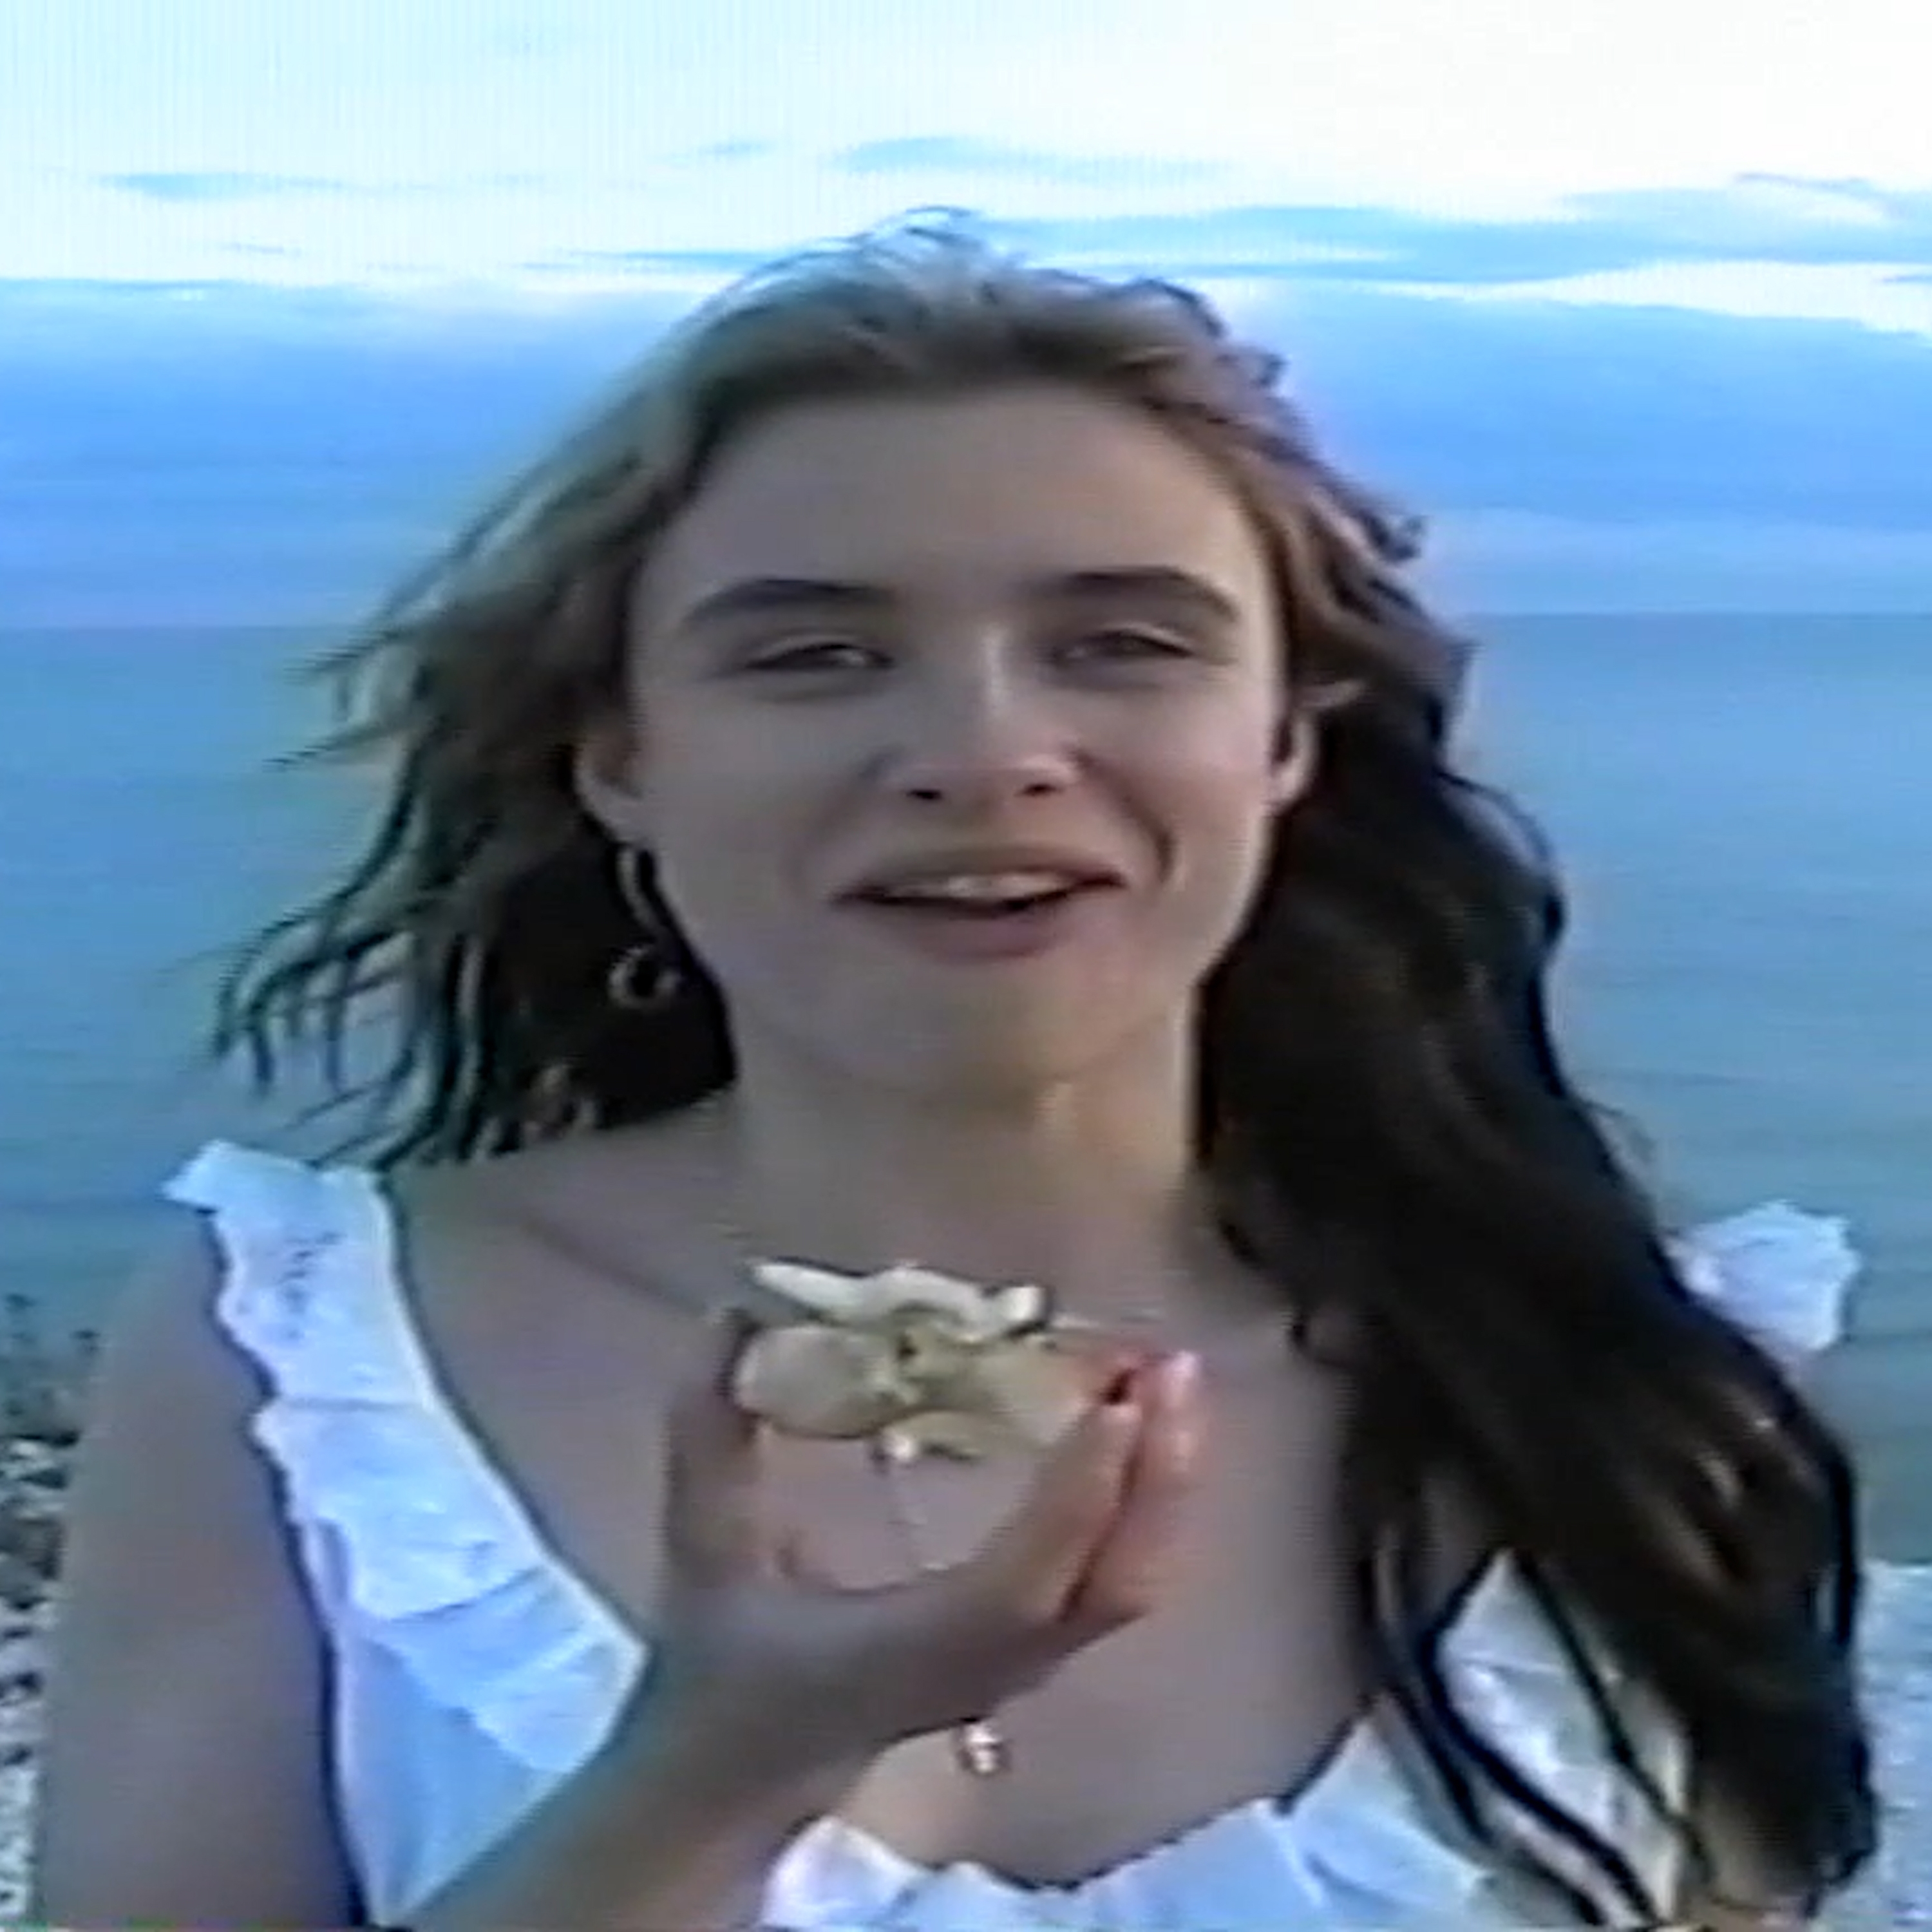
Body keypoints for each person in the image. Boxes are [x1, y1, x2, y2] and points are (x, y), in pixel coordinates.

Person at [32, 213, 1876, 1930]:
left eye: (1120, 645)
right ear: (623, 761)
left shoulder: (1619, 1392)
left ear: (1283, 743)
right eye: (817, 655)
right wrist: (711, 1775)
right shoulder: (310, 1355)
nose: (985, 752)